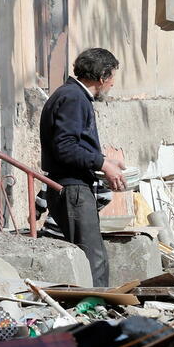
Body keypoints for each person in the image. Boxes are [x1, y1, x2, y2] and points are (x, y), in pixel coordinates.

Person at [39, 48, 127, 287]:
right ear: (102, 76)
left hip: (71, 187)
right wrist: (102, 164)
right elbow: (65, 148)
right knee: (94, 258)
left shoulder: (70, 95)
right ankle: (97, 310)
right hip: (73, 189)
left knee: (87, 255)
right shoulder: (74, 98)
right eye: (112, 77)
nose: (112, 84)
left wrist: (105, 161)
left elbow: (71, 144)